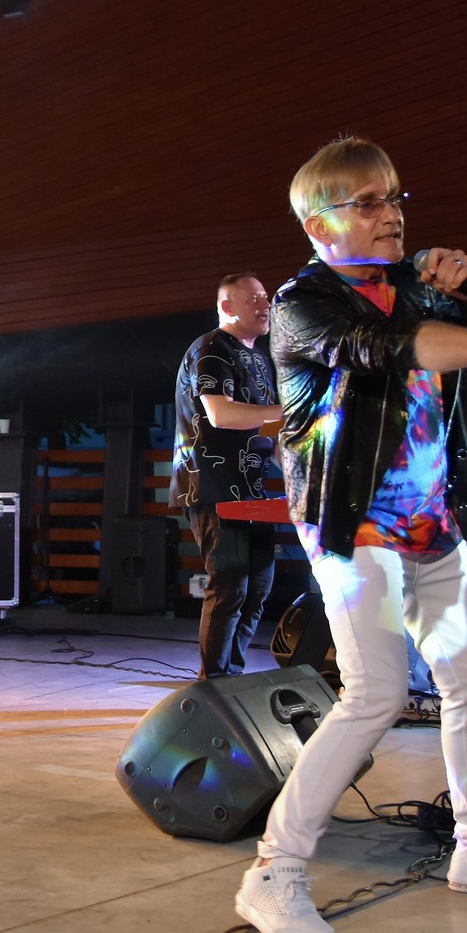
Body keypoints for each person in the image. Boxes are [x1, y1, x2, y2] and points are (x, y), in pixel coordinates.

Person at [234, 136, 467, 933]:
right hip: (352, 527)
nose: (391, 213)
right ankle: (274, 871)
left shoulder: (413, 286)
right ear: (317, 223)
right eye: (367, 201)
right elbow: (391, 352)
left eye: (396, 197)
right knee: (373, 693)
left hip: (430, 523)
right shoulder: (303, 305)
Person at [171, 273, 285, 677]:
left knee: (258, 586)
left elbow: (269, 428)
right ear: (227, 307)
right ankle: (214, 680)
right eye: (254, 299)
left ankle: (231, 675)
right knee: (231, 583)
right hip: (213, 485)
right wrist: (290, 412)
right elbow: (221, 414)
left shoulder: (261, 359)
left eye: (266, 297)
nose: (265, 305)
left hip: (252, 489)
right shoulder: (211, 347)